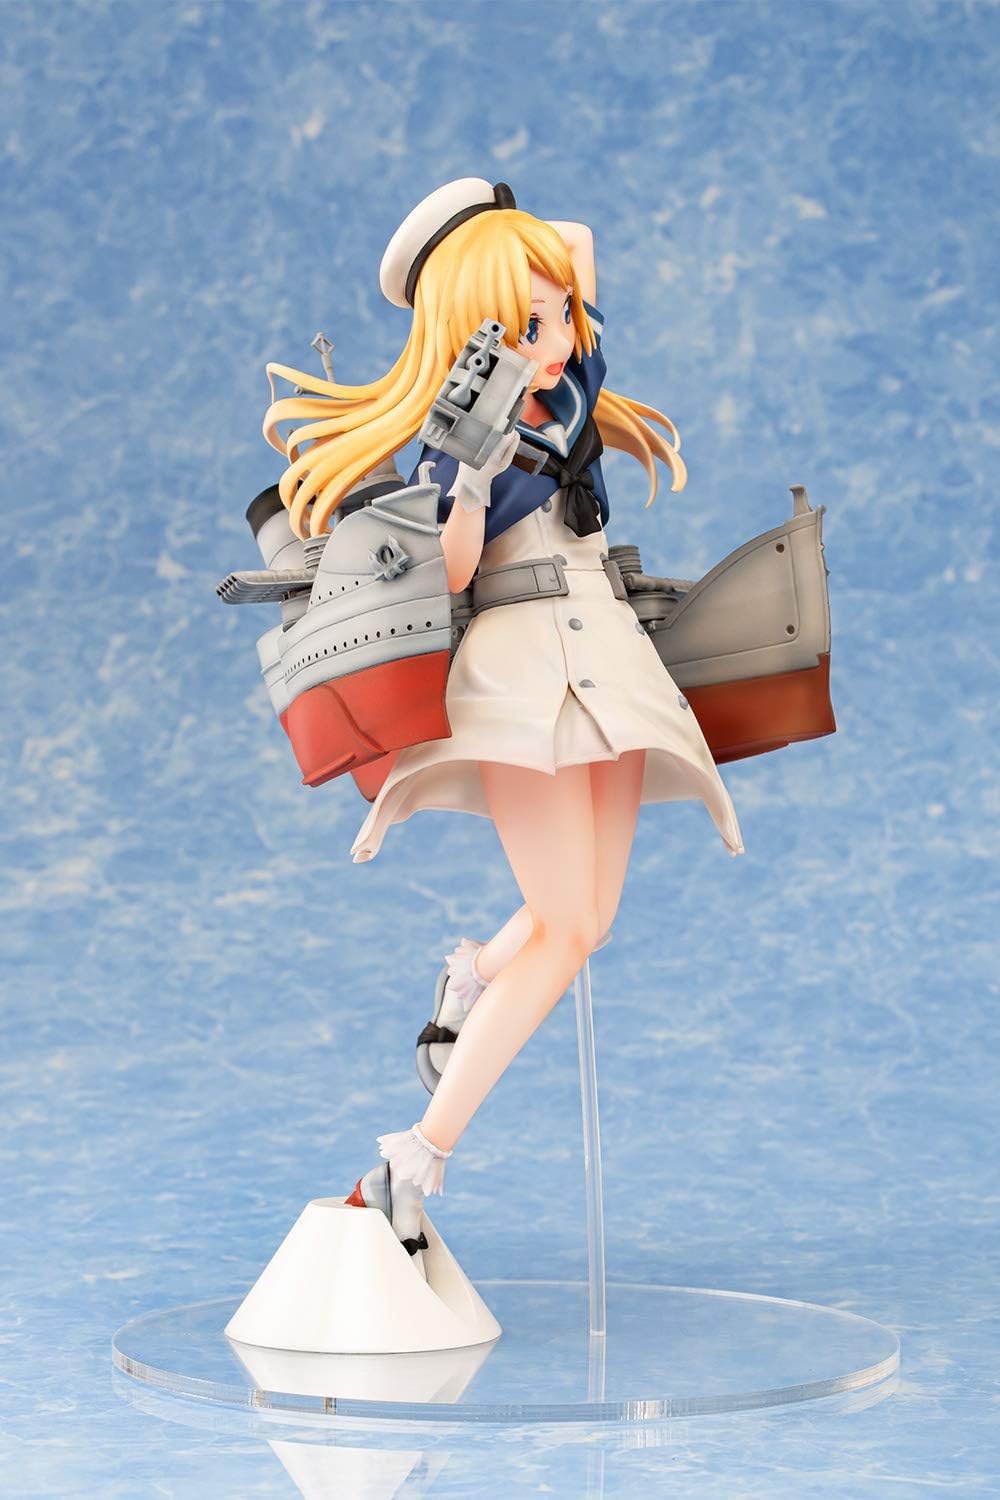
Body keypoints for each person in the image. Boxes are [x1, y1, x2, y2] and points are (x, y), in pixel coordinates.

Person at [263, 179, 744, 1276]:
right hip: (525, 670)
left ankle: (474, 970)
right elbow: (452, 572)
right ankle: (415, 1157)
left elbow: (573, 246)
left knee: (590, 919)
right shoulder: (458, 446)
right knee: (566, 926)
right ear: (467, 335)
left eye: (558, 316)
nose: (554, 339)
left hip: (607, 656)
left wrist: (494, 225)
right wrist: (471, 473)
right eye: (525, 324)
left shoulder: (572, 389)